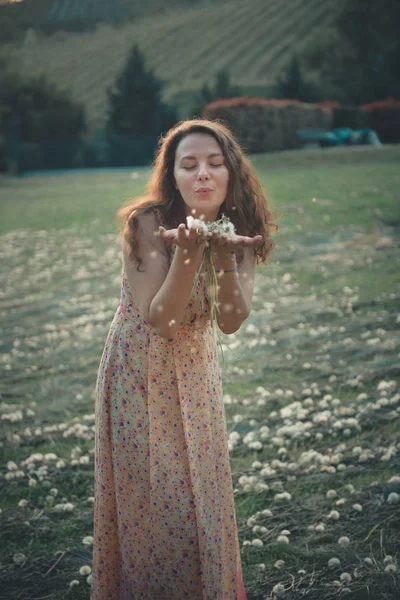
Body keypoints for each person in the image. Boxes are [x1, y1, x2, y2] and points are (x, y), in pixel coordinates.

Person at [91, 118, 277, 600]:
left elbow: (231, 320)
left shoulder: (241, 231)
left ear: (231, 173)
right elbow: (161, 320)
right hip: (139, 375)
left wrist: (222, 259)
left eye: (215, 164)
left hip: (195, 378)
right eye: (188, 165)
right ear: (171, 175)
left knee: (202, 505)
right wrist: (190, 254)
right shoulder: (149, 223)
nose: (203, 175)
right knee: (158, 508)